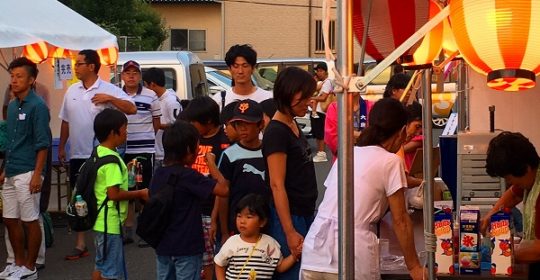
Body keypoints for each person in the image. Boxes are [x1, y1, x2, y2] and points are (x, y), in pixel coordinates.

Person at [300, 98, 426, 280]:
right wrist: (414, 267)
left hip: (315, 250)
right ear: (402, 131)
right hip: (352, 253)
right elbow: (401, 220)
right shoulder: (390, 161)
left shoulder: (348, 154)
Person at [59, 49, 136, 260]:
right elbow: (65, 120)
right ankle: (81, 242)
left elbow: (131, 109)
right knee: (80, 196)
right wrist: (61, 145)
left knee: (106, 194)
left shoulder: (107, 88)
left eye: (79, 63)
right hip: (77, 152)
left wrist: (110, 98)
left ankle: (111, 232)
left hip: (101, 155)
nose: (75, 67)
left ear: (92, 66)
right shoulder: (71, 91)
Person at [151, 120, 229, 280]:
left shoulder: (158, 174)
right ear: (189, 150)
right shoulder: (189, 176)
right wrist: (212, 164)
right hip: (187, 246)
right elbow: (224, 189)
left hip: (163, 246)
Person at [262, 67, 318, 280]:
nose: (308, 102)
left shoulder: (292, 122)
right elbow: (277, 184)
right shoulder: (276, 132)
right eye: (303, 97)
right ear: (287, 94)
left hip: (304, 211)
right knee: (292, 273)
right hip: (289, 215)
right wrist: (289, 231)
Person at [0, 57, 51, 280]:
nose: (14, 80)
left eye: (19, 76)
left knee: (30, 220)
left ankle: (30, 267)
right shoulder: (11, 106)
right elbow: (11, 141)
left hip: (29, 170)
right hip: (12, 169)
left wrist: (37, 174)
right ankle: (17, 263)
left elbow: (42, 143)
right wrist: (4, 169)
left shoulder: (38, 106)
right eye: (12, 76)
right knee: (10, 219)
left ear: (31, 80)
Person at [90, 108, 149, 280]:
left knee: (100, 265)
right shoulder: (113, 162)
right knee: (112, 271)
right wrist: (140, 193)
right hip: (110, 222)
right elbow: (114, 194)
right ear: (112, 133)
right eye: (124, 130)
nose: (126, 133)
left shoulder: (99, 153)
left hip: (99, 220)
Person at [179, 96, 231, 280]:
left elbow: (223, 185)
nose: (191, 125)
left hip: (213, 209)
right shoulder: (191, 139)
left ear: (208, 121)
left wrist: (217, 221)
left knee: (214, 259)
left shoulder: (224, 141)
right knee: (196, 259)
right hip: (192, 209)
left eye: (194, 122)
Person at [480, 131, 540, 278]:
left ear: (525, 168)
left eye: (509, 178)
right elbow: (513, 194)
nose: (508, 183)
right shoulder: (532, 178)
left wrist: (505, 251)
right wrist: (491, 214)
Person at [120, 60, 161, 244]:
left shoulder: (151, 95)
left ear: (140, 76)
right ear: (122, 76)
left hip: (145, 149)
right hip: (125, 149)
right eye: (127, 73)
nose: (131, 76)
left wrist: (147, 138)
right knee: (128, 188)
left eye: (135, 73)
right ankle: (128, 227)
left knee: (145, 188)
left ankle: (145, 228)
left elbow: (156, 123)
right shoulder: (116, 94)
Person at [214, 194, 299, 280]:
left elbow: (280, 266)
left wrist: (294, 256)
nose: (242, 221)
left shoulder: (270, 243)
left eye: (248, 217)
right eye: (239, 216)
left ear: (262, 222)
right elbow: (219, 264)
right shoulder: (232, 242)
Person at [218, 99, 270, 238]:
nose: (242, 128)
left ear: (261, 124)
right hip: (239, 225)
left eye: (247, 123)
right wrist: (224, 231)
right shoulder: (229, 155)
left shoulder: (270, 151)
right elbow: (223, 194)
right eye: (238, 124)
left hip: (268, 222)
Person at [142, 67, 182, 171]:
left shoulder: (171, 101)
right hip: (155, 151)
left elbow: (179, 126)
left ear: (152, 84)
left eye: (145, 85)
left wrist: (158, 125)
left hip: (165, 155)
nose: (144, 89)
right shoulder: (155, 99)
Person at [212, 44, 271, 110]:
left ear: (253, 68)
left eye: (245, 66)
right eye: (236, 66)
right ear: (230, 69)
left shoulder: (268, 98)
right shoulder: (219, 99)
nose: (240, 71)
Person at [324, 92, 374, 160]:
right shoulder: (335, 107)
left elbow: (376, 134)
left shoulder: (371, 106)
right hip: (342, 160)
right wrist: (361, 135)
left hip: (368, 158)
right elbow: (331, 136)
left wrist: (348, 135)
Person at [310, 63, 332, 163]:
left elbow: (323, 97)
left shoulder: (327, 82)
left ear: (325, 71)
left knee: (320, 134)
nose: (318, 73)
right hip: (317, 111)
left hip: (321, 111)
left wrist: (311, 98)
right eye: (317, 71)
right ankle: (320, 153)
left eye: (320, 71)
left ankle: (322, 154)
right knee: (318, 133)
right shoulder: (323, 82)